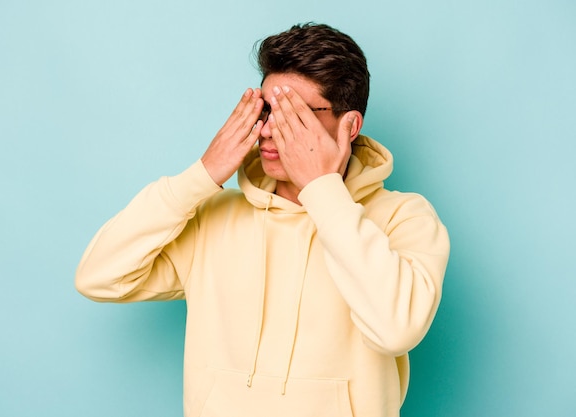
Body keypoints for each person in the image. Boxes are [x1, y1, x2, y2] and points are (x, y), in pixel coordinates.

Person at [75, 23, 450, 417]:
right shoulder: (215, 218)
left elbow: (396, 330)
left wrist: (321, 189)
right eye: (267, 110)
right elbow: (99, 276)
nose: (269, 130)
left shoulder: (404, 217)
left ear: (350, 126)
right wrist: (201, 176)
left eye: (296, 113)